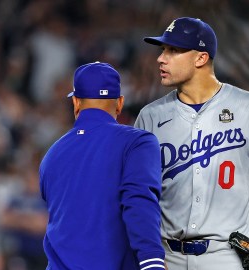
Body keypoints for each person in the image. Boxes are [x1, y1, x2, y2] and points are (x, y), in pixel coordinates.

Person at [134, 17, 249, 269]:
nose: (161, 58)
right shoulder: (150, 116)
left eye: (173, 50)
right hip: (166, 255)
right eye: (163, 50)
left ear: (201, 58)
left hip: (228, 256)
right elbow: (140, 195)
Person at [39, 62, 166, 269]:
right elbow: (139, 201)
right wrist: (152, 261)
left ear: (76, 103)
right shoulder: (137, 143)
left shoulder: (51, 155)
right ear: (119, 103)